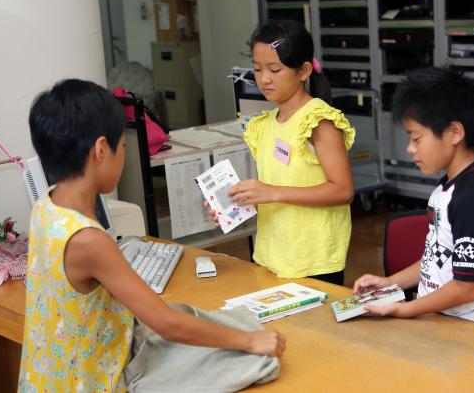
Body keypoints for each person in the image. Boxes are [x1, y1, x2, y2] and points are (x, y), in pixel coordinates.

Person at [19, 79, 285, 392]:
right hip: (84, 382)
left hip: (48, 378)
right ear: (102, 149)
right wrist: (250, 340)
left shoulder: (46, 206)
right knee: (245, 356)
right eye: (123, 148)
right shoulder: (88, 240)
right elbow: (166, 323)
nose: (123, 156)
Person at [353, 67, 474, 328]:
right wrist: (389, 283)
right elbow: (436, 259)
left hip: (473, 332)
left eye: (416, 138)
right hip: (438, 321)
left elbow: (467, 288)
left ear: (455, 133)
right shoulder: (447, 188)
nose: (410, 148)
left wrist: (404, 310)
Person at [208, 20, 355, 285]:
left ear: (304, 71)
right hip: (271, 255)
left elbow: (343, 190)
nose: (264, 79)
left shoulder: (319, 121)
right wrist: (230, 204)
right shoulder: (262, 126)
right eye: (257, 69)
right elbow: (270, 190)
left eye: (275, 69)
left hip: (313, 260)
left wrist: (272, 192)